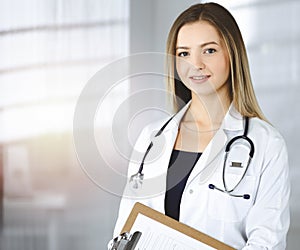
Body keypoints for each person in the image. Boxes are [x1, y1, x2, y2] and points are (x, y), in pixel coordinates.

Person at [112, 2, 290, 249]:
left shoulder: (266, 144)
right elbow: (125, 232)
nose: (195, 64)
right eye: (184, 53)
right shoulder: (151, 138)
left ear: (232, 53)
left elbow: (267, 241)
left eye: (209, 50)